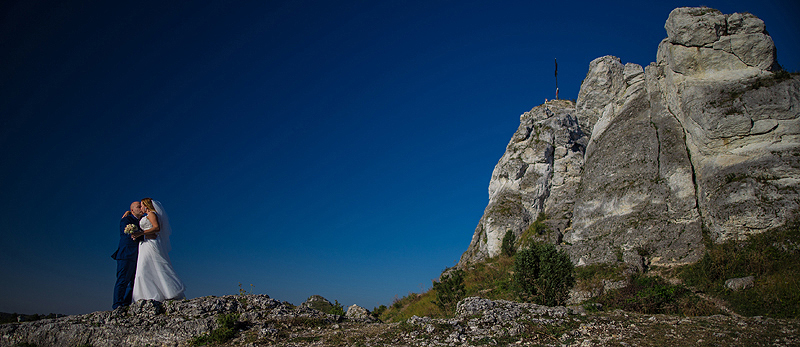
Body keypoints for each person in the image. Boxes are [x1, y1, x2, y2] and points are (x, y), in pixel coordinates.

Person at [130, 198, 186, 302]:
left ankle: (163, 292)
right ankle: (149, 294)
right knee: (148, 267)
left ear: (146, 205)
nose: (141, 207)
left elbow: (156, 228)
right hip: (145, 244)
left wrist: (141, 233)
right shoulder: (148, 215)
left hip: (151, 243)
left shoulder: (152, 214)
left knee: (148, 267)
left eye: (141, 205)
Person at [112, 201, 144, 309]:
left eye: (141, 206)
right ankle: (117, 305)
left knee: (133, 282)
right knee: (122, 280)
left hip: (139, 255)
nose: (141, 208)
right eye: (138, 207)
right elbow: (128, 235)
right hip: (126, 254)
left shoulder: (143, 220)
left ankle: (126, 304)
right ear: (132, 210)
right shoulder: (126, 220)